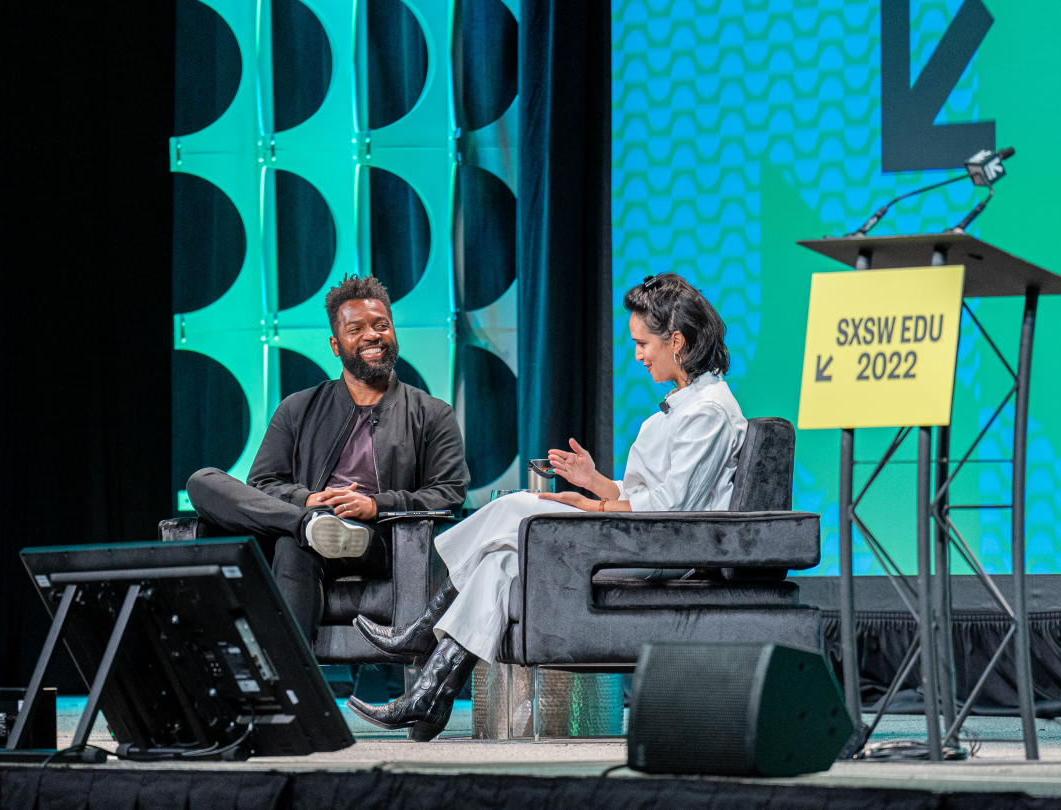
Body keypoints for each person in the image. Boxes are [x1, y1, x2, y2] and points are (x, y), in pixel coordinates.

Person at [347, 273, 747, 741]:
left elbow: (667, 511)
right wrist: (595, 481)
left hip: (659, 550)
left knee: (520, 505)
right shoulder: (687, 403)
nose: (638, 354)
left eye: (643, 343)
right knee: (500, 562)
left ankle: (422, 626)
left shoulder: (709, 411)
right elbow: (648, 495)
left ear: (676, 341)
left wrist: (589, 506)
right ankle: (432, 695)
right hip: (640, 537)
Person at [186, 275, 469, 641]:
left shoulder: (432, 413)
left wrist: (373, 506)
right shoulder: (298, 407)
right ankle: (305, 523)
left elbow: (448, 493)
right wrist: (307, 502)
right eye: (356, 329)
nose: (372, 335)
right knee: (203, 481)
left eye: (381, 325)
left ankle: (289, 688)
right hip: (307, 525)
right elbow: (262, 484)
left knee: (294, 541)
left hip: (376, 538)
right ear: (336, 345)